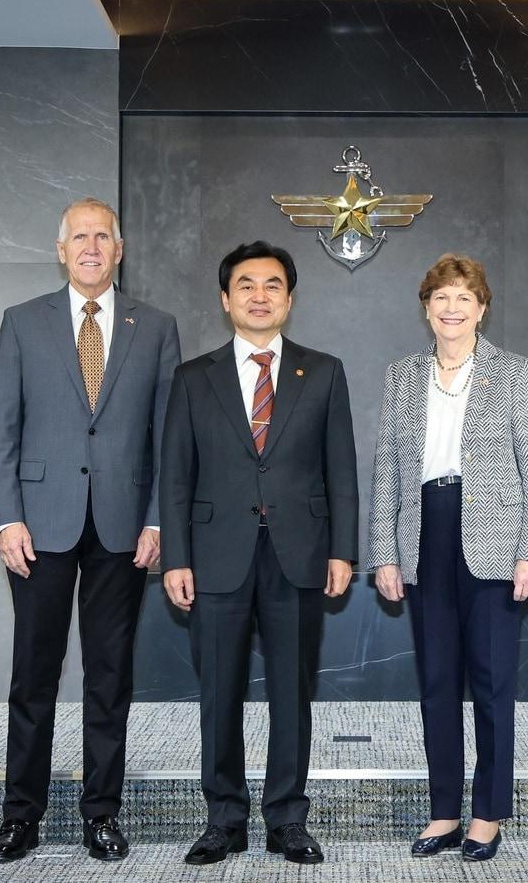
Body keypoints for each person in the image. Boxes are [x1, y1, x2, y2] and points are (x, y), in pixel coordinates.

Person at [0, 197, 181, 863]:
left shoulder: (154, 326)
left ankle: (101, 812)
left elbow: (165, 436)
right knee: (32, 677)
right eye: (80, 237)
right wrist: (6, 515)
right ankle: (21, 816)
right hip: (39, 526)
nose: (92, 247)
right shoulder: (22, 322)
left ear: (119, 250)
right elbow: (1, 430)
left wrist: (158, 516)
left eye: (103, 236)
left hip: (124, 528)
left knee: (109, 677)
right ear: (61, 249)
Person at [160, 241, 358, 866]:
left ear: (290, 299)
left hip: (298, 552)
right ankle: (223, 817)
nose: (259, 295)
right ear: (225, 300)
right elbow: (175, 476)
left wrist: (343, 550)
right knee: (219, 690)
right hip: (216, 554)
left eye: (273, 285)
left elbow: (341, 470)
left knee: (292, 694)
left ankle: (287, 819)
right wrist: (176, 557)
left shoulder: (322, 371)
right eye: (246, 285)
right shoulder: (194, 377)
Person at [367, 254, 528, 862]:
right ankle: (445, 811)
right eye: (441, 296)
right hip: (425, 535)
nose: (452, 307)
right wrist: (385, 554)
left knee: (494, 685)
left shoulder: (514, 372)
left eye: (463, 297)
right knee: (438, 683)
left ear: (482, 307)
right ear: (426, 307)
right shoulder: (402, 376)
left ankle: (488, 814)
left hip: (495, 543)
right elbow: (387, 470)